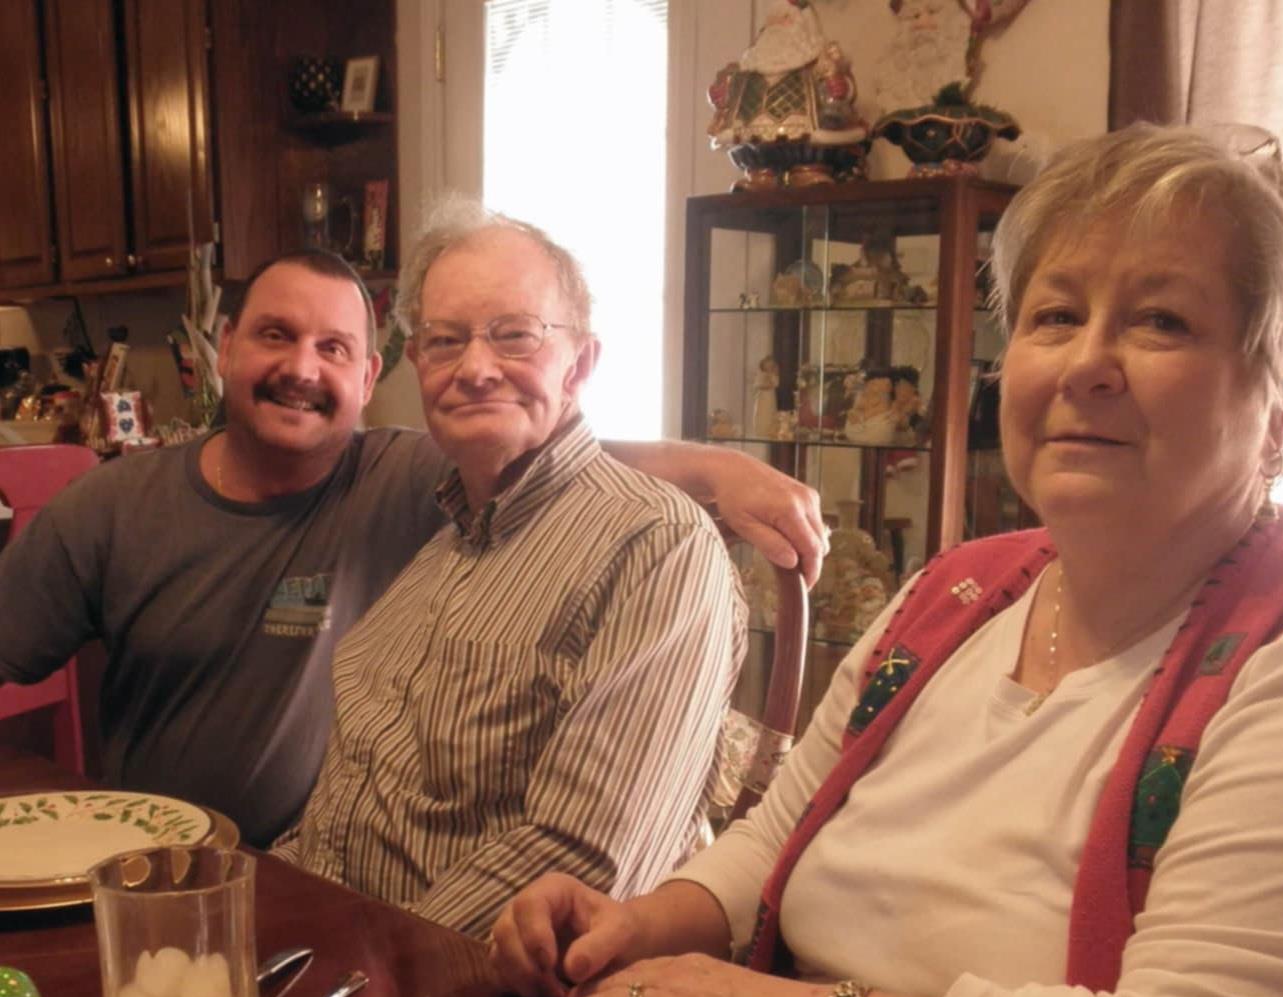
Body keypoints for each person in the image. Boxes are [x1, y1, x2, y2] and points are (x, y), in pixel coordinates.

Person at [488, 123, 1283, 997]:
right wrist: (641, 922)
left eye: (1161, 321)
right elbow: (773, 841)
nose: (1084, 365)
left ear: (1282, 406)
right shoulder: (954, 592)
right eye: (1055, 315)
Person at [0, 249, 826, 847]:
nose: (301, 368)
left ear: (368, 377)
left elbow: (554, 456)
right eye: (274, 336)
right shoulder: (110, 506)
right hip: (161, 874)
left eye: (333, 349)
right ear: (224, 347)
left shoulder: (404, 477)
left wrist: (719, 470)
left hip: (316, 889)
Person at [272, 196, 745, 940]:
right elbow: (349, 808)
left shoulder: (656, 546)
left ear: (579, 363)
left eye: (514, 337)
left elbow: (586, 859)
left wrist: (363, 962)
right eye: (444, 340)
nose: (477, 369)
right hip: (329, 944)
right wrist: (269, 907)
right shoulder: (439, 545)